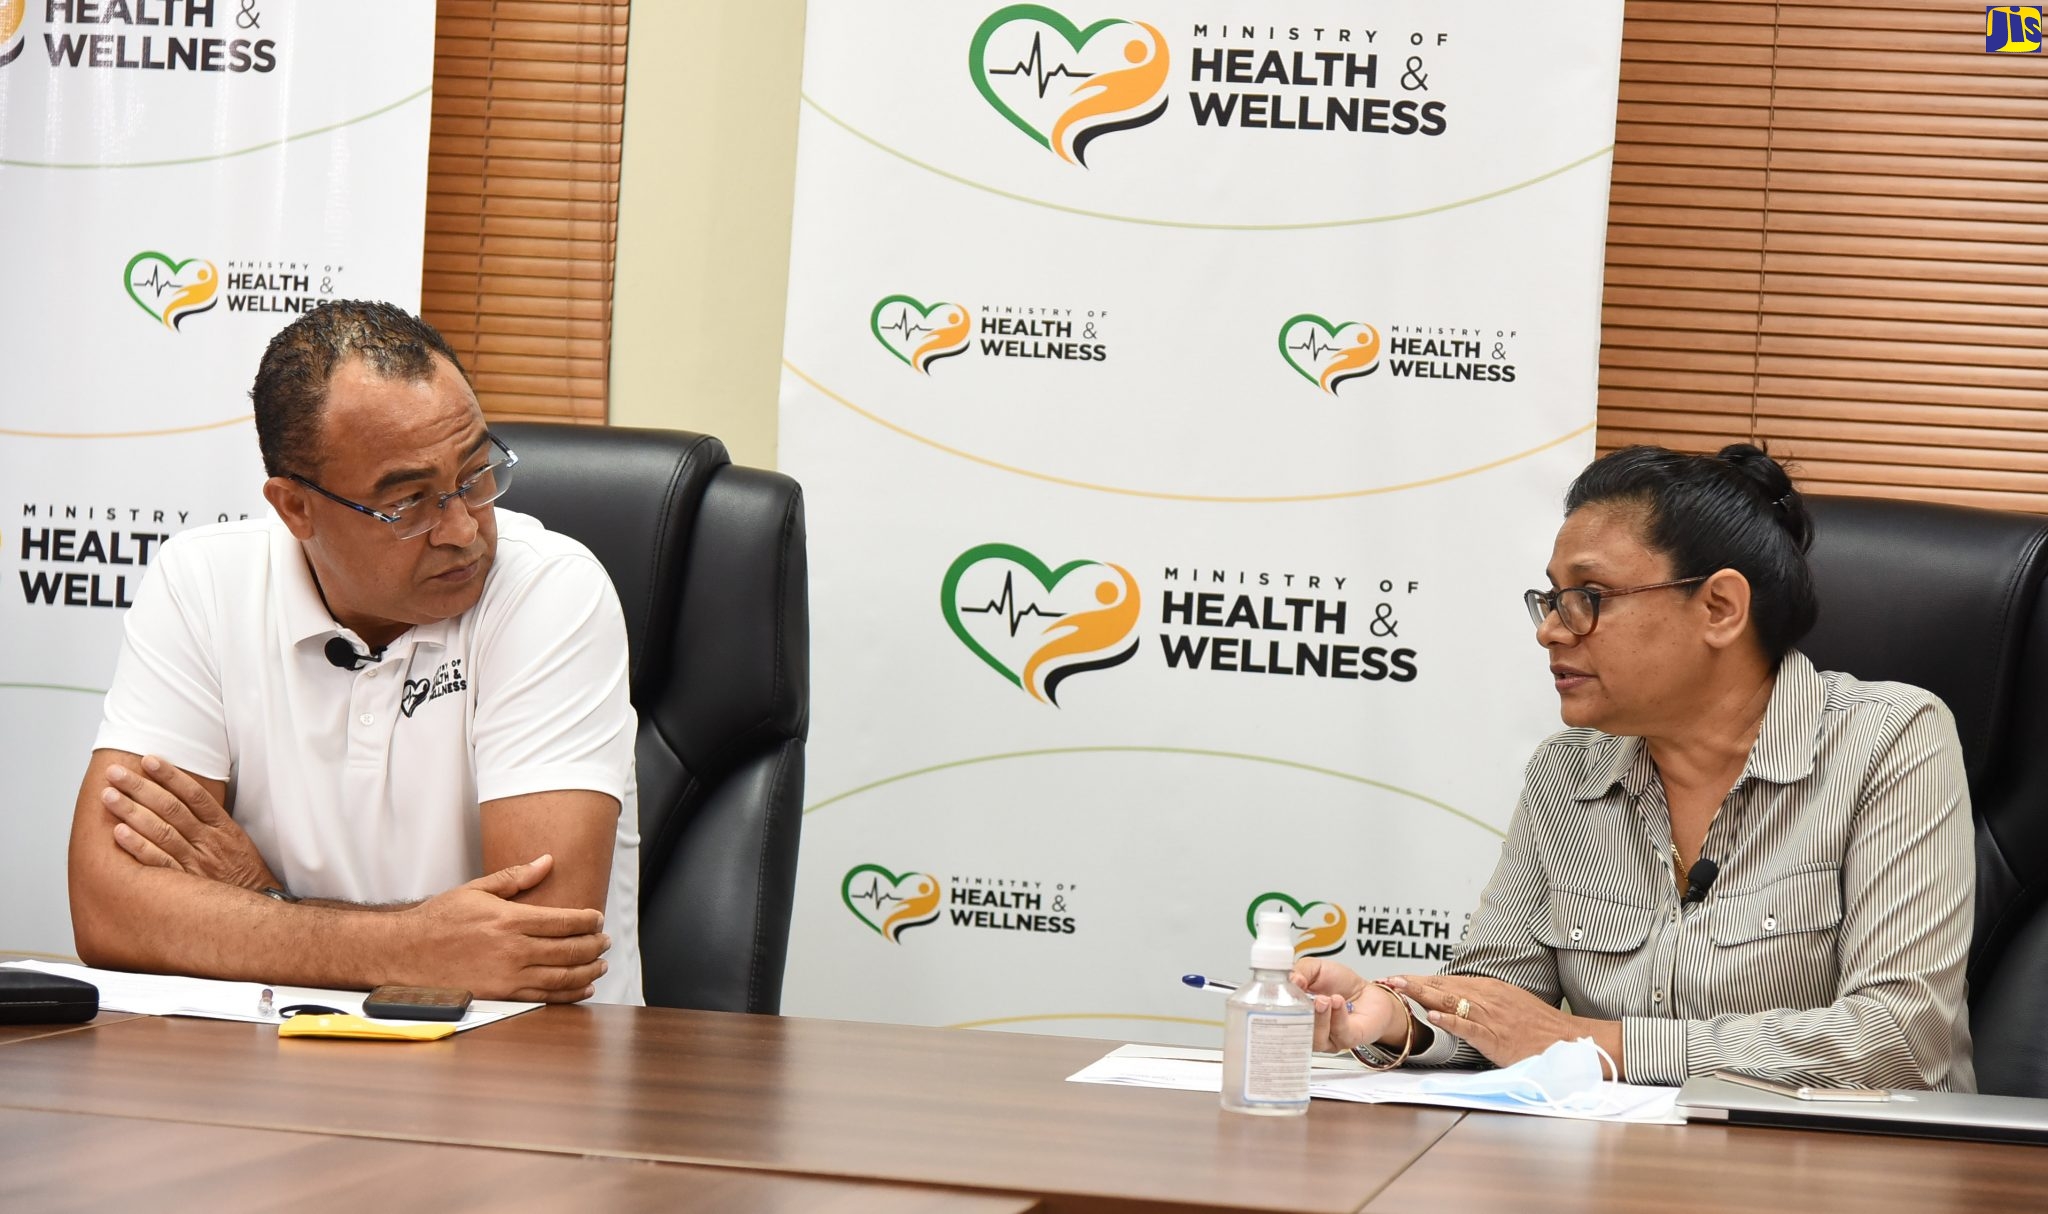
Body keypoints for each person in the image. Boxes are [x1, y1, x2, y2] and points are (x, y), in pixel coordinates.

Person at [1297, 444, 1974, 1091]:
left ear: (1719, 608)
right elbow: (1499, 1004)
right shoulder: (1565, 776)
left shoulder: (1889, 741)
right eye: (1551, 598)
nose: (1551, 630)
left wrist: (1594, 1046)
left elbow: (1898, 1042)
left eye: (1588, 595)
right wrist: (1395, 1019)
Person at [66, 300, 641, 1005]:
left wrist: (262, 901)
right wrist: (417, 943)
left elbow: (535, 947)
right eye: (409, 504)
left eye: (475, 473)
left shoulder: (550, 589)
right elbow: (107, 912)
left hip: (520, 1075)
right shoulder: (202, 584)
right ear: (295, 509)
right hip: (273, 1069)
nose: (462, 529)